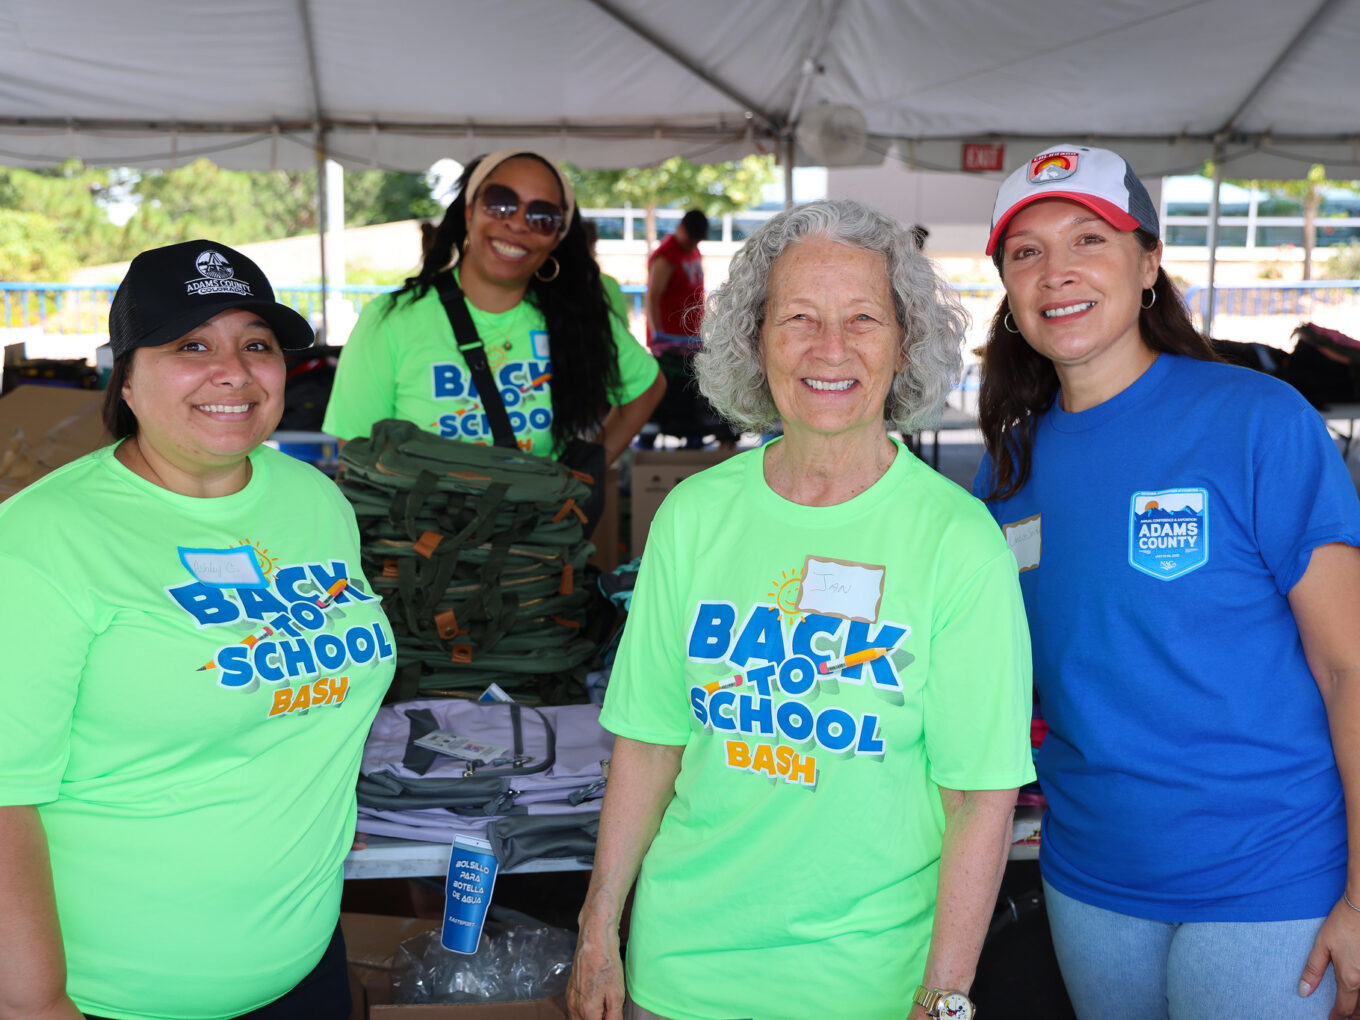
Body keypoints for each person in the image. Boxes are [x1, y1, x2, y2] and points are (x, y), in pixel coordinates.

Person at [569, 199, 1036, 1020]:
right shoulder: (693, 515)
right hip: (680, 977)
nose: (830, 348)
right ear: (756, 340)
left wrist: (946, 993)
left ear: (905, 344)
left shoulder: (957, 541)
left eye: (863, 318)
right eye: (798, 318)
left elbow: (979, 799)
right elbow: (647, 744)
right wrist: (598, 928)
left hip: (870, 989)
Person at [973, 143, 1360, 1020]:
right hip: (1091, 877)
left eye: (1089, 240)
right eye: (1026, 252)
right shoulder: (1006, 474)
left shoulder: (1256, 420)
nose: (1056, 273)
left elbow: (1351, 667)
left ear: (1148, 262)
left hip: (1271, 874)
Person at [0, 240, 396, 1020]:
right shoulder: (40, 539)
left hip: (304, 970)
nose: (234, 371)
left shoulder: (317, 501)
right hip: (113, 998)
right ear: (128, 374)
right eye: (191, 345)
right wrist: (36, 1004)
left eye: (257, 344)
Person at [322, 150, 664, 467]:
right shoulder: (390, 320)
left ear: (555, 239)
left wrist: (582, 473)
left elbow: (648, 388)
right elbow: (355, 454)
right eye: (501, 203)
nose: (517, 223)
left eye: (542, 216)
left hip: (536, 530)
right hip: (419, 531)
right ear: (470, 211)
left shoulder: (577, 318)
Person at [642, 209, 738, 449]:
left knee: (695, 401)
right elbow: (653, 297)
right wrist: (657, 336)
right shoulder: (666, 255)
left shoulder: (692, 249)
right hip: (670, 345)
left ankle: (695, 448)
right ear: (681, 228)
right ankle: (646, 448)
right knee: (668, 402)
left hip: (691, 339)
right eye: (691, 238)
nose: (694, 243)